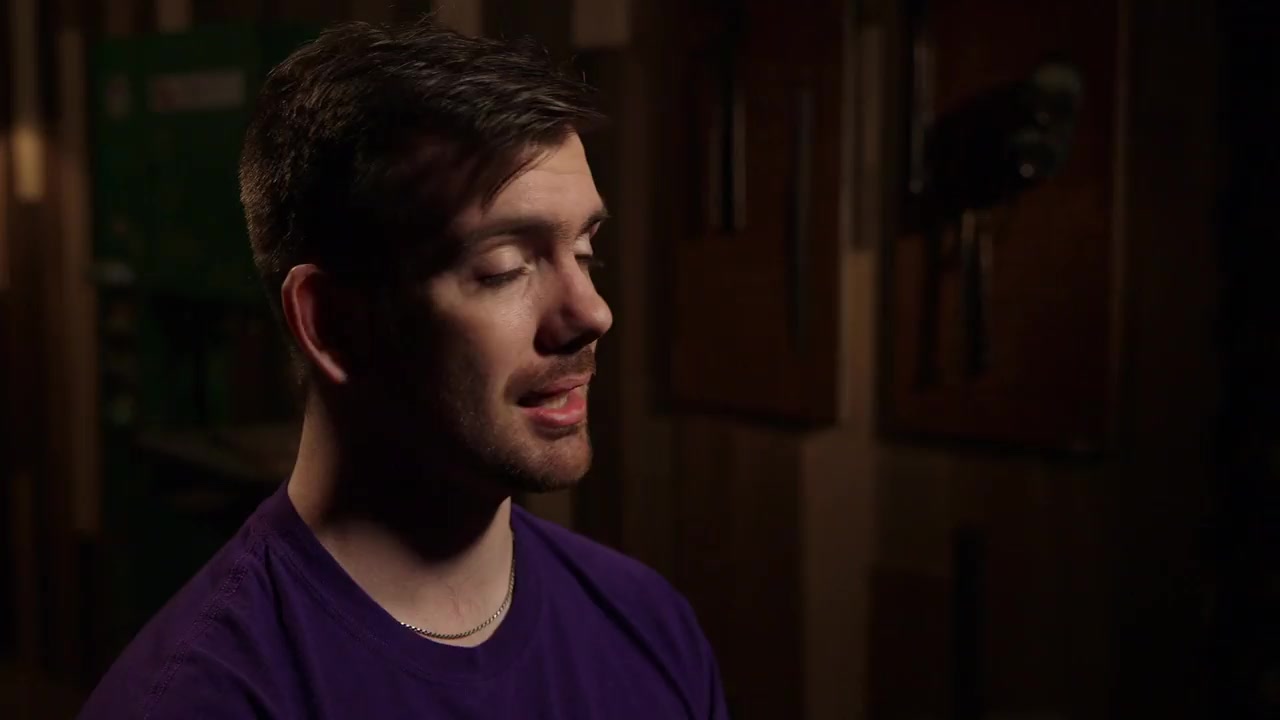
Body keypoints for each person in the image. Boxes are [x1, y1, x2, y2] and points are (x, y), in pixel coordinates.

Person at [80, 18, 728, 719]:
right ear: (331, 323)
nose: (591, 312)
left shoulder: (648, 628)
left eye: (584, 252)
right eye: (504, 268)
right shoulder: (199, 699)